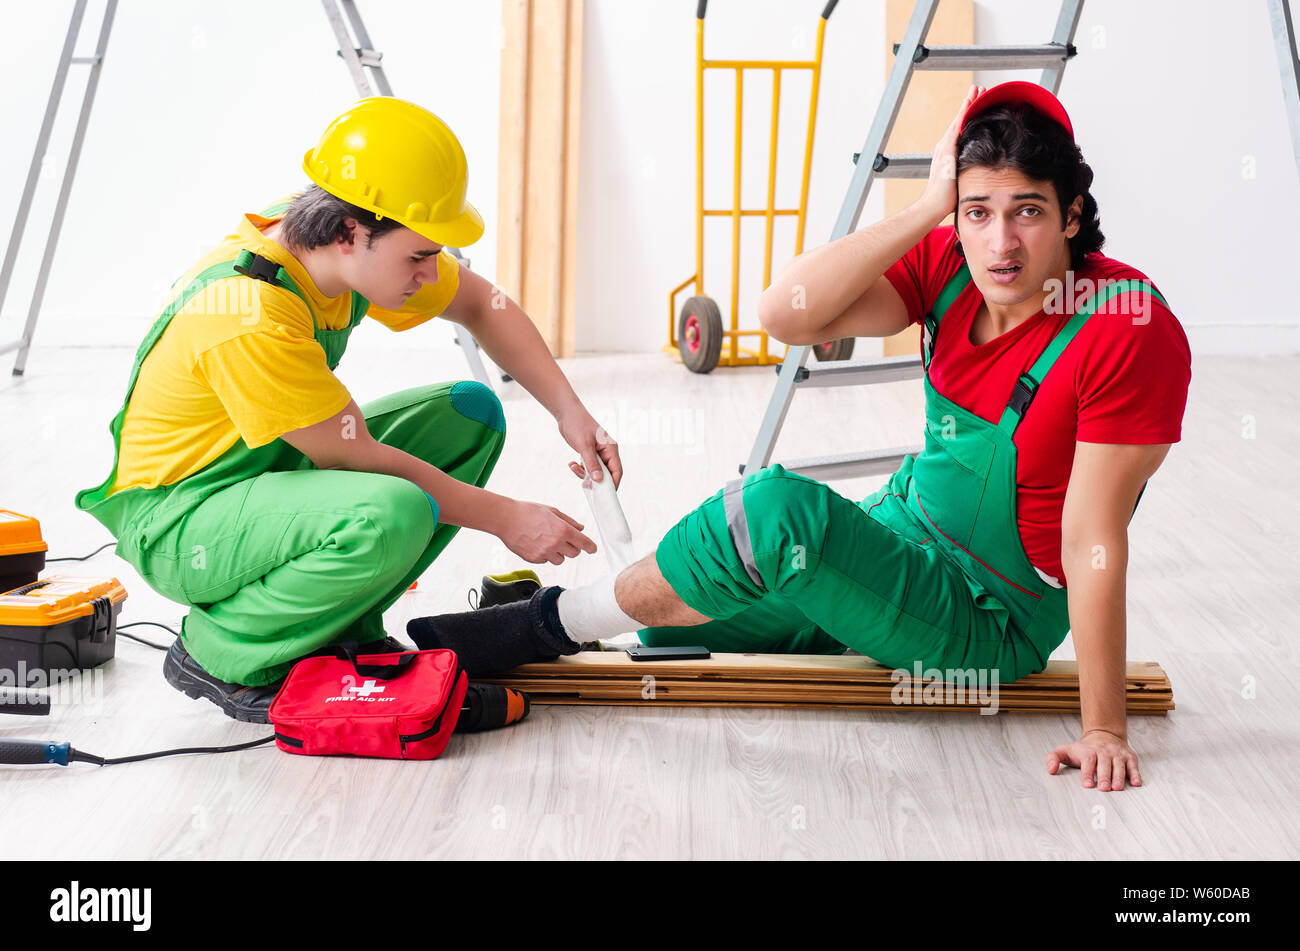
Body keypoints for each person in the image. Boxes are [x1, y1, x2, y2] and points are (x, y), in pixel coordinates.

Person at [410, 82, 1192, 791]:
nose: (1000, 245)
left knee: (775, 510)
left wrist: (1102, 726)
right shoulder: (952, 261)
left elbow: (1093, 538)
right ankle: (559, 613)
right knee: (669, 617)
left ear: (1073, 214)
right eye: (978, 211)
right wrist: (926, 209)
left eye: (1027, 209)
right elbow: (786, 313)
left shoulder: (1125, 327)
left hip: (987, 611)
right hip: (904, 534)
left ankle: (538, 623)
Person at [74, 97, 622, 726]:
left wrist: (570, 413)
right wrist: (506, 518)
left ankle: (341, 632)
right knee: (393, 507)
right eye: (419, 256)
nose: (431, 272)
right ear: (348, 234)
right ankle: (224, 652)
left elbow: (481, 305)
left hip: (262, 471)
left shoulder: (331, 243)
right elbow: (352, 454)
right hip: (183, 520)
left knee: (469, 415)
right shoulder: (246, 312)